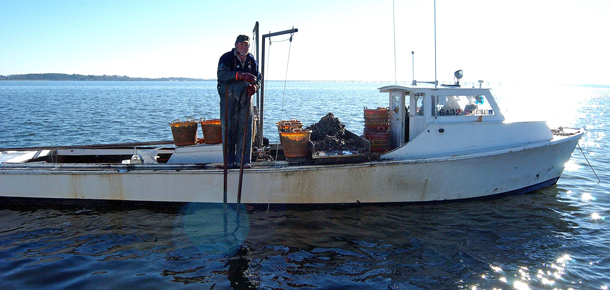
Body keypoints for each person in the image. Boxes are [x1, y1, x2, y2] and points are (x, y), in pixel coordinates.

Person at [217, 35, 261, 169]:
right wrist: (240, 76)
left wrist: (255, 87)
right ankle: (229, 161)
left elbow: (258, 78)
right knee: (228, 128)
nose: (244, 47)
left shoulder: (252, 60)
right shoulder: (226, 58)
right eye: (242, 44)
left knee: (245, 128)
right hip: (228, 98)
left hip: (246, 98)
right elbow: (221, 75)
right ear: (236, 45)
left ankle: (243, 160)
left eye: (247, 45)